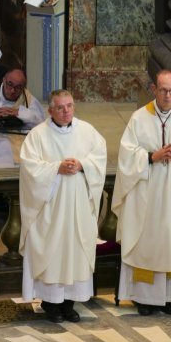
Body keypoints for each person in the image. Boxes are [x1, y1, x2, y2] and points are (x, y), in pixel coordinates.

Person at [110, 70, 171, 316]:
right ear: (154, 89)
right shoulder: (138, 118)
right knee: (147, 240)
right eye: (162, 90)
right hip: (147, 192)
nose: (167, 95)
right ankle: (144, 298)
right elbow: (126, 156)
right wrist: (150, 157)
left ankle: (170, 297)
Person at [18, 90, 107, 324]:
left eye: (70, 106)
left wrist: (82, 164)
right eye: (60, 107)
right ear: (51, 110)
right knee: (52, 251)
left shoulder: (87, 132)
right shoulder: (38, 135)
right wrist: (55, 168)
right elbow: (29, 168)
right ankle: (50, 304)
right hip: (51, 207)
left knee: (74, 251)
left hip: (77, 206)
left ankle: (69, 304)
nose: (66, 111)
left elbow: (99, 159)